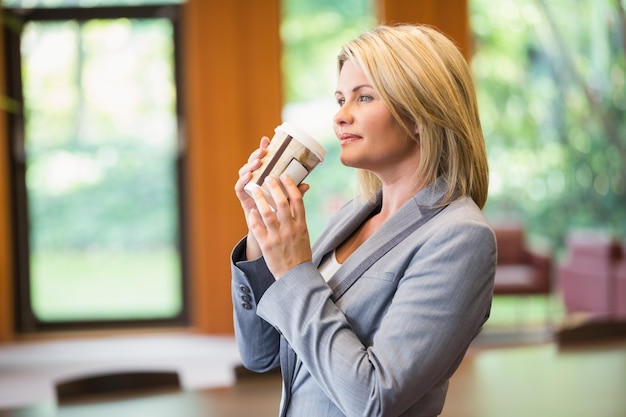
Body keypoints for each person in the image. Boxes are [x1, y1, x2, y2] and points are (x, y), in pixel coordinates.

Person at [231, 24, 496, 417]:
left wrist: (295, 269)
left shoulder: (461, 237)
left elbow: (373, 398)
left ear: (421, 113)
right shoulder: (352, 216)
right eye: (340, 99)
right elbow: (261, 353)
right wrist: (261, 232)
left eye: (364, 97)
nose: (340, 116)